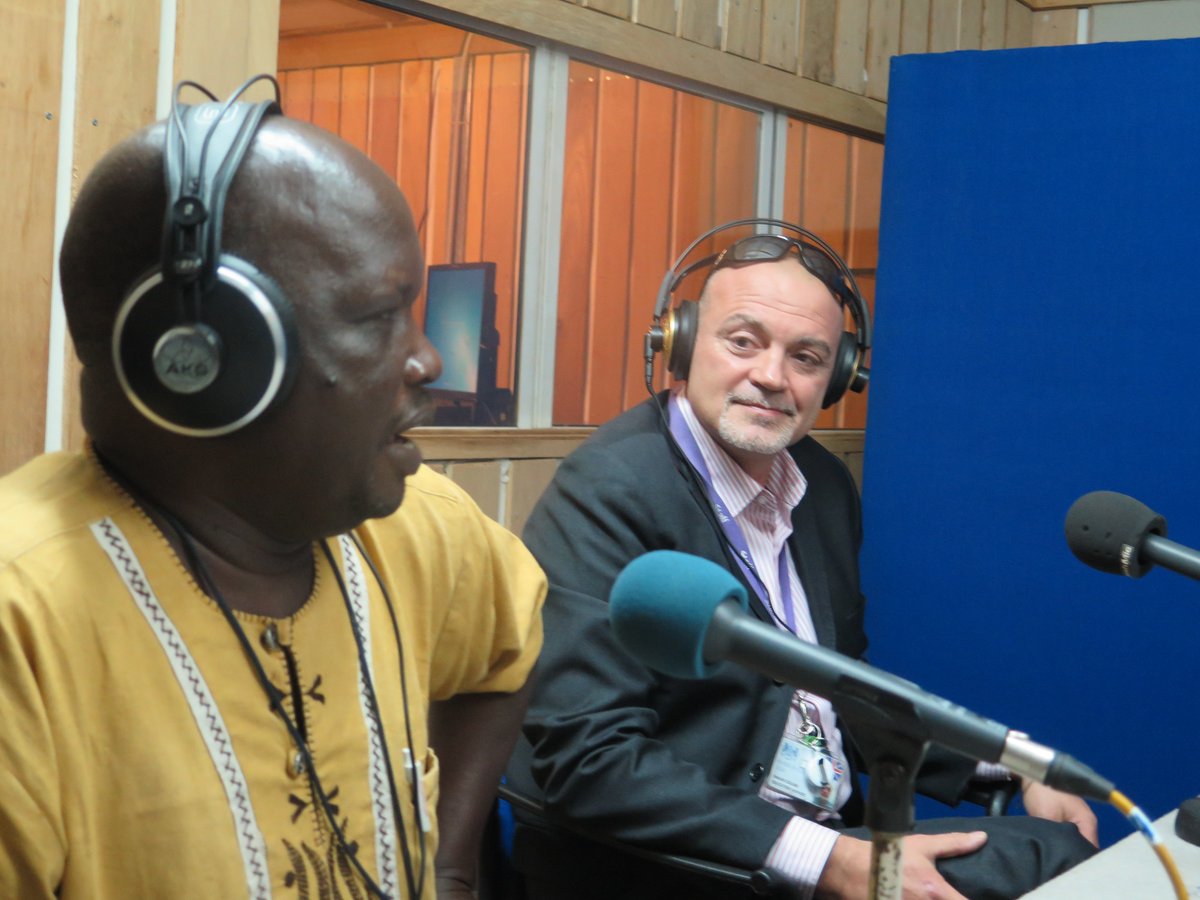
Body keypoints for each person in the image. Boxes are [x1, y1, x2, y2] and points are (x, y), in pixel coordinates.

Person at [0, 80, 545, 899]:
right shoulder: (21, 620)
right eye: (379, 316)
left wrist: (451, 871)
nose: (428, 360)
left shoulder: (418, 526)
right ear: (205, 357)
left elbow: (508, 651)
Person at [505, 223, 1097, 900]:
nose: (771, 376)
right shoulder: (607, 491)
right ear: (681, 342)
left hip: (822, 844)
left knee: (1061, 856)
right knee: (1051, 862)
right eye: (743, 341)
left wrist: (1011, 762)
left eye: (807, 357)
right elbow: (589, 761)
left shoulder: (822, 486)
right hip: (682, 869)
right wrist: (832, 861)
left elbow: (844, 685)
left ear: (839, 378)